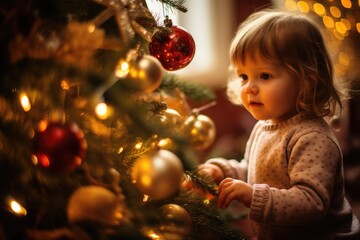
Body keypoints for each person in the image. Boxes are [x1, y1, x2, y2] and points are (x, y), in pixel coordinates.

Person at [199, 9, 360, 239]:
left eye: (264, 76)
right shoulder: (265, 127)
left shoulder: (312, 138)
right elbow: (256, 172)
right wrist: (224, 172)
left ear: (305, 81)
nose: (249, 87)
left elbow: (311, 203)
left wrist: (253, 196)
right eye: (244, 76)